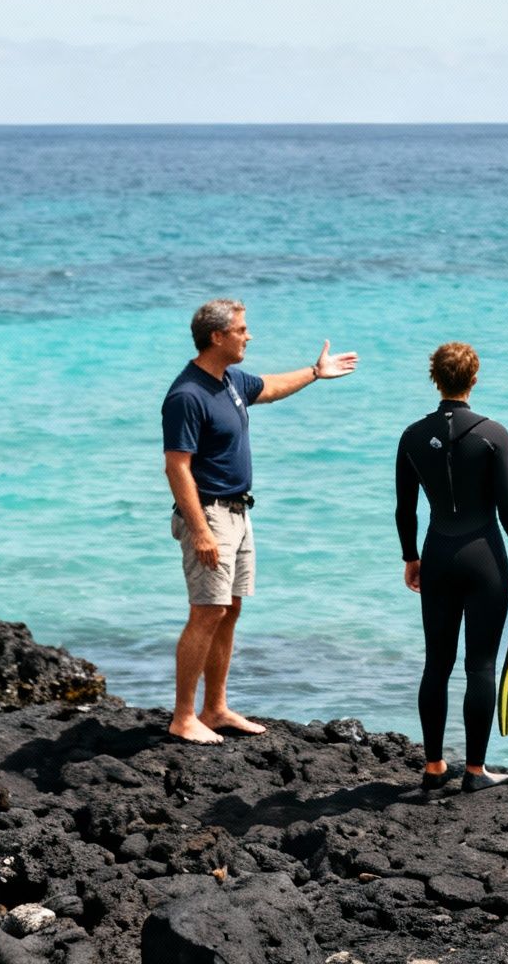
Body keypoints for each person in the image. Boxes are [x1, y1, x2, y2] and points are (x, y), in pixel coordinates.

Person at [162, 298, 357, 745]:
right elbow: (176, 467)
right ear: (217, 337)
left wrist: (314, 372)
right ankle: (182, 716)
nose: (249, 336)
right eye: (242, 329)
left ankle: (215, 709)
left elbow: (267, 387)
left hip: (238, 511)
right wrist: (200, 530)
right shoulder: (186, 394)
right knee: (206, 611)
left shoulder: (228, 380)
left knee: (229, 610)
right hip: (209, 514)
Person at [396, 342, 508, 792]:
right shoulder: (494, 434)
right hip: (485, 559)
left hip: (438, 556)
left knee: (436, 666)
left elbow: (405, 509)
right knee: (480, 665)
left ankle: (433, 768)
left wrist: (411, 557)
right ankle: (476, 772)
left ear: (435, 378)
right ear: (474, 379)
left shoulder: (411, 436)